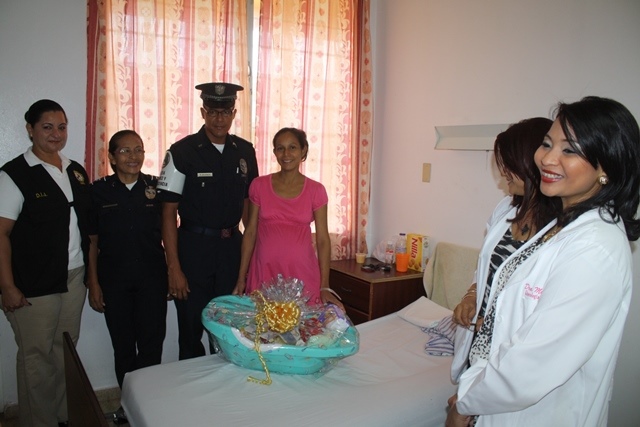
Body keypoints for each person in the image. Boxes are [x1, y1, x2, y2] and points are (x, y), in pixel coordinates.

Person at [446, 96, 640, 426]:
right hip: (492, 392)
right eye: (547, 144)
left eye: (570, 150)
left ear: (606, 167)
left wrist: (464, 403)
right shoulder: (563, 227)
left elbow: (531, 365)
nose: (547, 159)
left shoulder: (595, 249)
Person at [0, 99, 91, 427]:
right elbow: (1, 234)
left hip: (73, 276)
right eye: (47, 127)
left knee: (64, 352)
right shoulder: (14, 175)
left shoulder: (75, 170)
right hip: (32, 283)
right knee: (36, 357)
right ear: (30, 129)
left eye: (61, 127)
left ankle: (63, 417)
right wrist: (7, 287)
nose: (56, 134)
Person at [157, 82, 259, 360]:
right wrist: (173, 268)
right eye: (212, 112)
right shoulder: (182, 152)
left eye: (225, 112)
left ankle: (227, 385)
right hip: (193, 252)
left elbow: (249, 207)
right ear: (203, 112)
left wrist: (250, 260)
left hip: (231, 251)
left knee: (230, 330)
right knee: (190, 331)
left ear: (234, 114)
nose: (219, 119)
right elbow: (168, 212)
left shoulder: (245, 151)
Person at [451, 118, 559, 335]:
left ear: (532, 163)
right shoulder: (505, 210)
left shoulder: (560, 232)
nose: (503, 172)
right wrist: (471, 297)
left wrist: (498, 328)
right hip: (477, 337)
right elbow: (487, 270)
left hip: (515, 344)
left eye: (509, 164)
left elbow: (549, 308)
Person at [87, 130, 167, 401]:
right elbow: (92, 242)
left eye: (138, 150)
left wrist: (172, 272)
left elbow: (170, 234)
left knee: (151, 344)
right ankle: (129, 403)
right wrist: (93, 283)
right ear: (111, 157)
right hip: (114, 281)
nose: (133, 156)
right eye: (125, 151)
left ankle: (150, 403)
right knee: (122, 347)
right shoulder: (97, 191)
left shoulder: (157, 188)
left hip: (152, 279)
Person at [233, 127, 343, 309]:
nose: (286, 154)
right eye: (280, 148)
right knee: (262, 324)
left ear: (303, 150)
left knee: (301, 325)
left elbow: (323, 240)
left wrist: (325, 286)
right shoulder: (259, 185)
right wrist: (241, 277)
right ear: (274, 152)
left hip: (302, 276)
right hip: (264, 273)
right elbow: (250, 232)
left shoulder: (316, 190)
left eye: (292, 147)